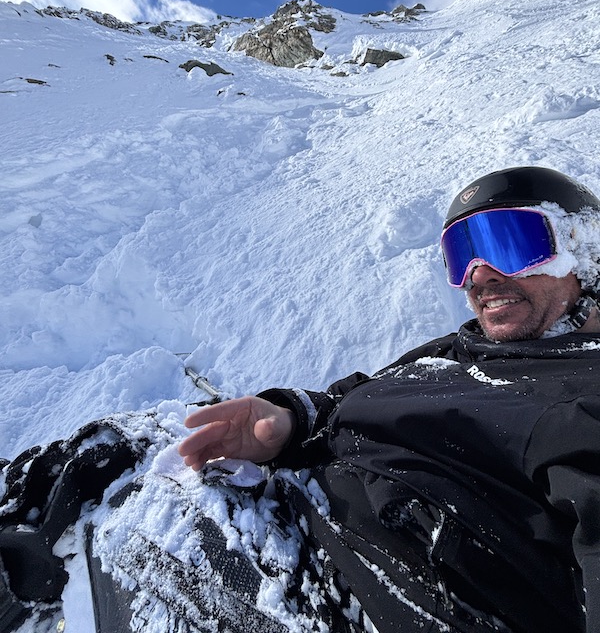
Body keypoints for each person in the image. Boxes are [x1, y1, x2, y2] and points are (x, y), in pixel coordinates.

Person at [2, 165, 600, 633]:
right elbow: (361, 394)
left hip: (375, 589)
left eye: (512, 243)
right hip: (305, 512)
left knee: (134, 509)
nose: (481, 275)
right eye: (461, 254)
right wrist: (291, 419)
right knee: (99, 457)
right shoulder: (464, 349)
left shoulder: (583, 389)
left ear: (583, 250)